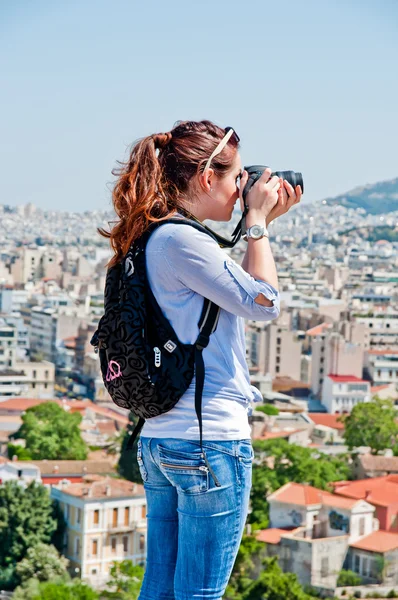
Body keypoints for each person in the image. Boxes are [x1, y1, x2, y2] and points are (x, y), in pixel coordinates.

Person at [100, 120, 302, 600]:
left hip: (162, 440)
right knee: (198, 594)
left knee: (163, 587)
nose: (241, 191)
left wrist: (257, 224)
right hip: (208, 443)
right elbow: (264, 303)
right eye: (236, 179)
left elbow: (239, 296)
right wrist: (256, 225)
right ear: (206, 178)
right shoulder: (184, 241)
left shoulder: (150, 236)